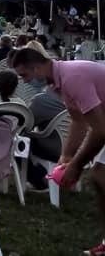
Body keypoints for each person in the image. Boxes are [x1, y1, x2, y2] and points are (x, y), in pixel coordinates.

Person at [10, 47, 105, 255]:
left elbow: (99, 130)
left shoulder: (72, 78)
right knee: (99, 179)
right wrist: (67, 155)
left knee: (99, 176)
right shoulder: (59, 80)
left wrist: (76, 166)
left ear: (36, 68)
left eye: (24, 75)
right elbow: (78, 121)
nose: (24, 82)